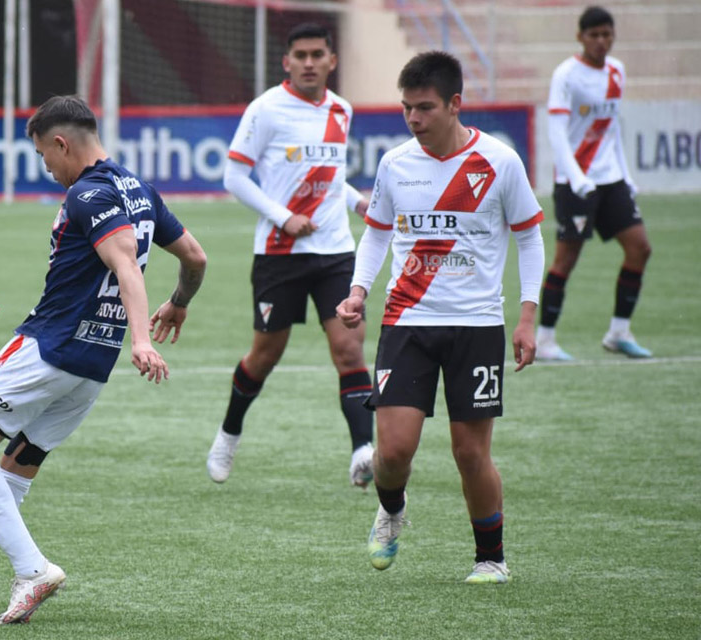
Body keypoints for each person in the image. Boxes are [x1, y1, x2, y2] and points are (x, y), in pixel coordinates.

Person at [0, 95, 208, 624]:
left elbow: (126, 266)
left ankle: (31, 569)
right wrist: (179, 304)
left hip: (50, 344)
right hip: (94, 362)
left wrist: (143, 339)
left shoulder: (89, 194)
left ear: (61, 142)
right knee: (15, 469)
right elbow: (195, 257)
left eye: (45, 157)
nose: (47, 169)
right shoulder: (139, 189)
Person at [335, 51, 545, 584]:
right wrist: (359, 291)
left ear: (455, 104)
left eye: (424, 108)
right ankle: (392, 508)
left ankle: (490, 559)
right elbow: (378, 231)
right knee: (394, 450)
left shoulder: (500, 162)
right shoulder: (395, 164)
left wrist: (527, 316)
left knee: (470, 451)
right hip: (406, 322)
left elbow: (529, 236)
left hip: (477, 326)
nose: (413, 119)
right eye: (406, 108)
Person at [206, 23, 375, 488]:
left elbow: (328, 175)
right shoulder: (266, 109)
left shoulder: (342, 110)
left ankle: (363, 450)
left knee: (348, 347)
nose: (308, 62)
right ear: (286, 61)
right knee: (265, 354)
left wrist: (356, 200)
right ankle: (229, 433)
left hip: (337, 251)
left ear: (331, 60)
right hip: (280, 253)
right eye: (299, 54)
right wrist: (283, 217)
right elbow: (235, 177)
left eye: (317, 54)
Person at [537, 5, 651, 360]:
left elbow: (612, 128)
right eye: (594, 35)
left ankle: (619, 332)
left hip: (610, 178)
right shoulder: (567, 75)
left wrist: (626, 176)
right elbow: (556, 132)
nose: (602, 41)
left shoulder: (617, 71)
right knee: (566, 260)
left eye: (607, 34)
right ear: (580, 37)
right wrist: (577, 178)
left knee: (640, 248)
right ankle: (544, 341)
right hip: (576, 182)